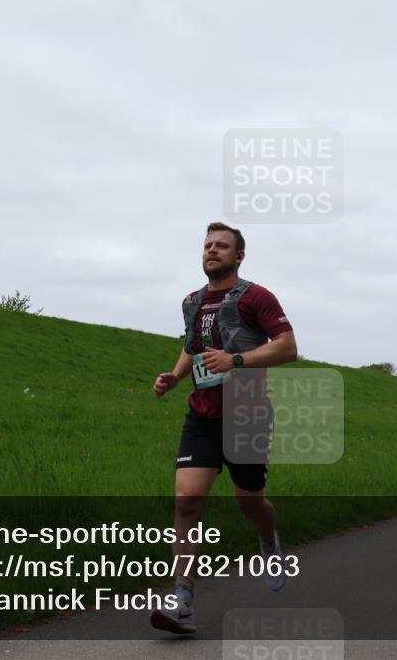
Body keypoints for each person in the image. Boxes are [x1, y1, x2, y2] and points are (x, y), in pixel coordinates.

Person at [150, 223, 298, 635]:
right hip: (202, 415)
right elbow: (191, 346)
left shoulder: (256, 297)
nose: (212, 251)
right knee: (186, 500)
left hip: (247, 413)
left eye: (221, 246)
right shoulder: (192, 301)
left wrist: (236, 361)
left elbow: (287, 347)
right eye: (207, 245)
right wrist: (177, 376)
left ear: (239, 255)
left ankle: (268, 542)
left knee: (250, 504)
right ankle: (183, 599)